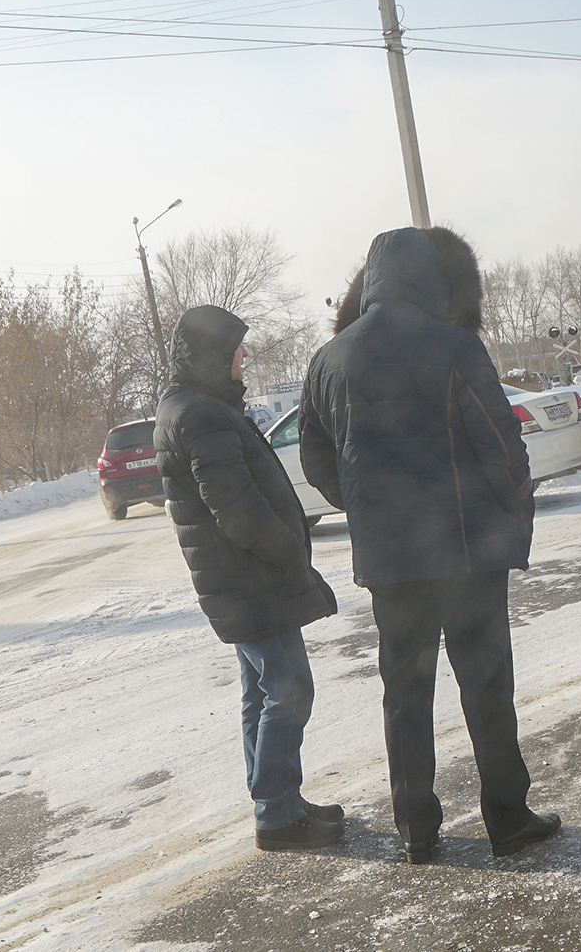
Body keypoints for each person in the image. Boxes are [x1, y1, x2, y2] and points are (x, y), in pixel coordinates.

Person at [299, 225, 560, 865]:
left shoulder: (329, 360)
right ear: (430, 278)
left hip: (389, 560)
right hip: (466, 551)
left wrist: (367, 506)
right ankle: (507, 817)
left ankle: (416, 828)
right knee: (486, 685)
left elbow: (315, 459)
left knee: (406, 690)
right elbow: (501, 442)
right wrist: (513, 499)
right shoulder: (454, 345)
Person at [154, 305, 343, 851]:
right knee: (287, 690)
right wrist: (289, 554)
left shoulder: (193, 406)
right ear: (216, 353)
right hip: (250, 581)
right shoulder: (203, 415)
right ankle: (278, 815)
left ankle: (277, 804)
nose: (244, 357)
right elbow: (235, 509)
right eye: (237, 348)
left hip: (237, 581)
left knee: (260, 695)